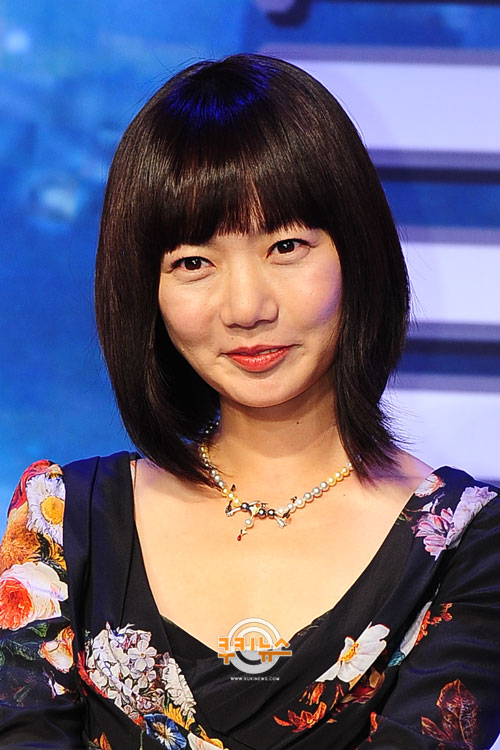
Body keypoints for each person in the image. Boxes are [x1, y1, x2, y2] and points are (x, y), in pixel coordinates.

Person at [0, 53, 499, 750]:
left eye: (286, 246)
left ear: (357, 254)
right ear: (146, 291)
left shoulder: (472, 547)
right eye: (193, 263)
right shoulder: (60, 522)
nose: (246, 307)